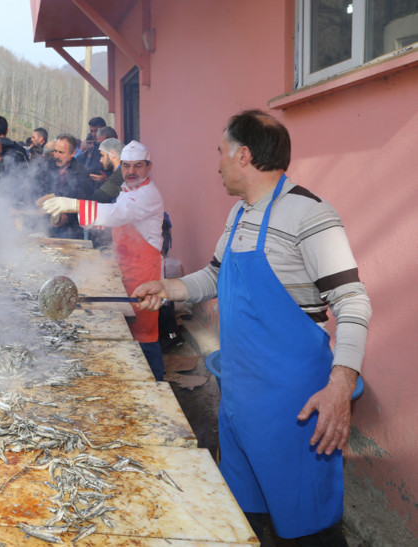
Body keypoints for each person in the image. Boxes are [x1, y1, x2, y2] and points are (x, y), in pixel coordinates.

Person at [133, 110, 371, 545]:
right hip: (239, 400)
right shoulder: (239, 214)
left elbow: (353, 301)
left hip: (294, 410)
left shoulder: (310, 215)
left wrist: (341, 385)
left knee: (307, 530)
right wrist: (168, 287)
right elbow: (213, 276)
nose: (217, 163)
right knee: (244, 522)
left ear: (244, 156)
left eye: (220, 152)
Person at [43, 141, 165, 379]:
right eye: (126, 166)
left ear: (148, 167)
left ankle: (155, 381)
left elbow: (118, 214)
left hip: (143, 272)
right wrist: (68, 216)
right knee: (130, 329)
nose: (130, 172)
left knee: (145, 333)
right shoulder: (129, 190)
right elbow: (108, 219)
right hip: (126, 265)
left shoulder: (148, 194)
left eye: (137, 166)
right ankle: (134, 375)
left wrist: (73, 205)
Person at [44, 134, 94, 239]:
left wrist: (66, 217)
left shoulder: (82, 172)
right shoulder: (45, 167)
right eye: (55, 151)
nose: (56, 156)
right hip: (45, 226)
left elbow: (82, 200)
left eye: (61, 152)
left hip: (71, 231)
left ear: (73, 153)